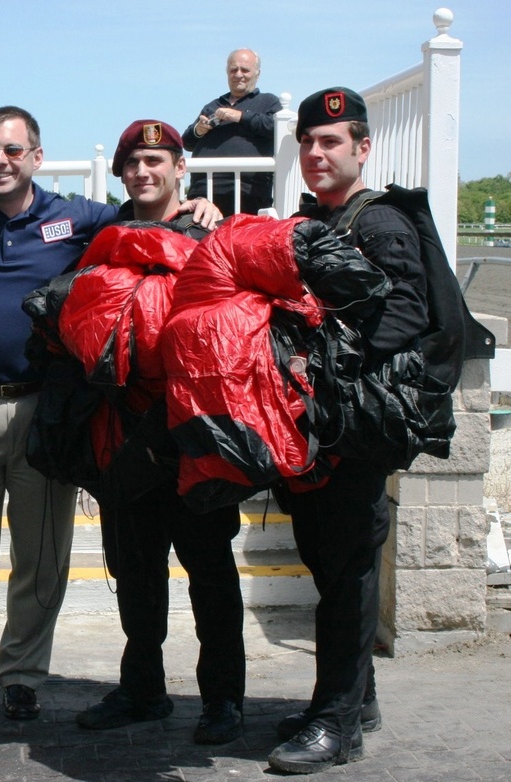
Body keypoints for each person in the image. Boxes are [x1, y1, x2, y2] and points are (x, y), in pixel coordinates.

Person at [0, 105, 220, 737]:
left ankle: (22, 679)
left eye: (13, 150)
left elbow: (143, 213)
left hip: (47, 413)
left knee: (42, 557)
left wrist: (200, 205)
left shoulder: (76, 218)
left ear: (36, 157)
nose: (1, 161)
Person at [266, 87, 428, 775]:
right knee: (332, 566)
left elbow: (408, 313)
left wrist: (326, 359)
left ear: (363, 148)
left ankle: (336, 724)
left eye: (330, 142)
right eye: (307, 142)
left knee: (348, 566)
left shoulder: (379, 221)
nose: (315, 152)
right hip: (321, 427)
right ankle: (353, 700)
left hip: (355, 430)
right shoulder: (315, 220)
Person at [73, 120, 245, 743]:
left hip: (194, 431)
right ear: (120, 173)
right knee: (136, 571)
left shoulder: (211, 232)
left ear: (180, 166)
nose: (143, 172)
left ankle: (224, 699)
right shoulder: (105, 232)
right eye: (132, 163)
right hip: (125, 432)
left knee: (210, 570)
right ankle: (143, 689)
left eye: (155, 160)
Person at [181, 49, 281, 216]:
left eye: (245, 70)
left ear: (257, 73)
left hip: (248, 193)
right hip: (204, 193)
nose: (238, 74)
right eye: (233, 70)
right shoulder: (212, 105)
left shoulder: (268, 102)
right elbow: (187, 142)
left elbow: (275, 129)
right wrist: (199, 129)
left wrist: (241, 116)